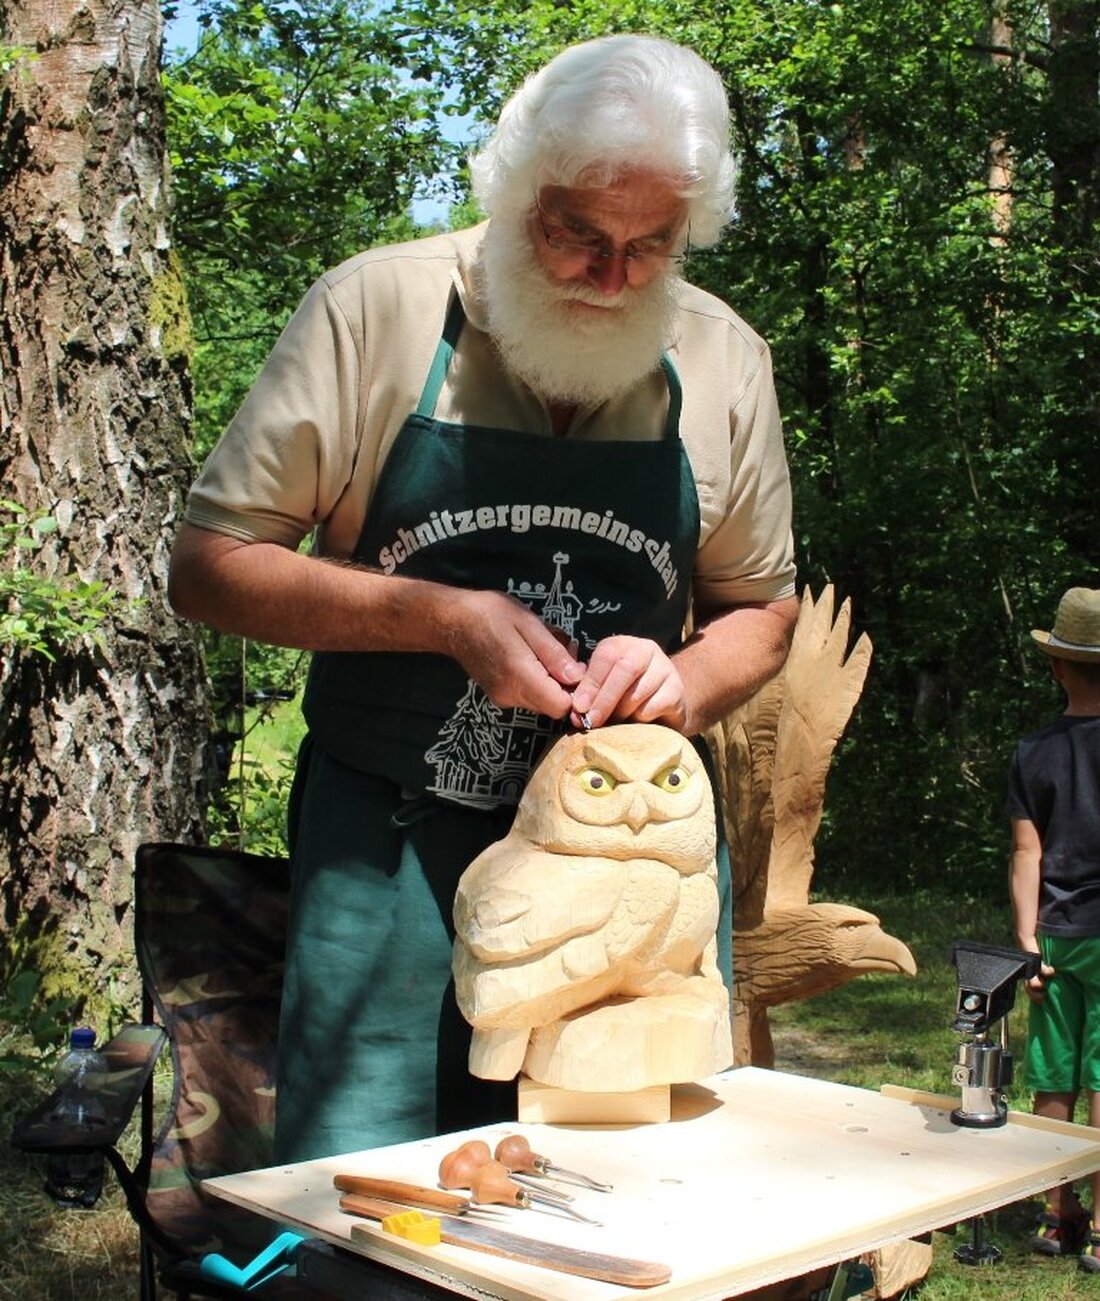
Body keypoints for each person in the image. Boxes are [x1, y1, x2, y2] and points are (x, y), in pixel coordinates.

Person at [168, 33, 799, 1163]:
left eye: (651, 245)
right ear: (513, 194)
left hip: (633, 865)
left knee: (627, 1176)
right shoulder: (377, 310)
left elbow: (759, 608)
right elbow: (210, 561)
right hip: (390, 849)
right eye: (576, 235)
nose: (611, 278)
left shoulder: (719, 357)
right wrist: (439, 617)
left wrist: (684, 677)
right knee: (369, 1187)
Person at [1007, 586, 1100, 1271]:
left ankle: (1056, 1212)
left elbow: (1027, 852)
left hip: (1058, 934)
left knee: (1053, 1075)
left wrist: (1027, 942)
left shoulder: (1034, 750)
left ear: (1057, 667)